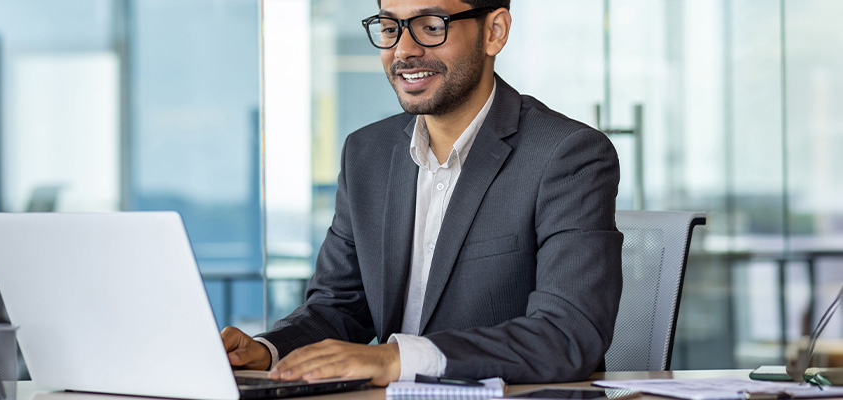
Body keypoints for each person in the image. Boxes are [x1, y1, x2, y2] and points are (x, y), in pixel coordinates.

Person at [222, 0, 623, 386]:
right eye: (390, 28)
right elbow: (339, 306)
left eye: (431, 27)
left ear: (494, 32)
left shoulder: (566, 154)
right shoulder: (367, 154)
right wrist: (267, 350)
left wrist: (395, 358)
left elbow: (567, 335)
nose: (404, 50)